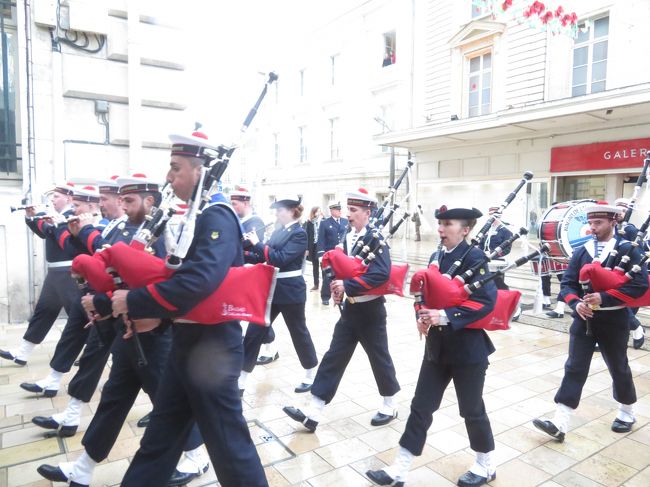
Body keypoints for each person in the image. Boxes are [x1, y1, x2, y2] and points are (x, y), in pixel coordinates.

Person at [112, 131, 267, 487]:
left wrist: (133, 301)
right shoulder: (196, 216)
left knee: (230, 447)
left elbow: (198, 282)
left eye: (175, 168)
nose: (169, 176)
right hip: (188, 344)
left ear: (199, 171)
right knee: (161, 438)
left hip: (211, 350)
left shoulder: (217, 217)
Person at [366, 205, 498, 487]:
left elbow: (486, 301)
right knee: (421, 407)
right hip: (437, 348)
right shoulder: (436, 255)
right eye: (440, 224)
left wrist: (446, 316)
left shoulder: (476, 258)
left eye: (447, 224)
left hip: (468, 350)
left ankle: (486, 464)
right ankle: (399, 469)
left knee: (471, 409)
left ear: (465, 230)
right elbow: (422, 293)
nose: (440, 229)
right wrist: (421, 314)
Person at [283, 188, 401, 432]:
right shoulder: (348, 236)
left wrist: (348, 285)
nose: (349, 215)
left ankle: (390, 404)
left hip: (371, 311)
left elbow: (381, 273)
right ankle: (313, 412)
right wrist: (338, 286)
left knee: (379, 358)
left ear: (368, 213)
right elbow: (343, 267)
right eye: (348, 210)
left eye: (354, 210)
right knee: (333, 358)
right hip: (350, 310)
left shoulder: (376, 238)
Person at [533, 203, 647, 442]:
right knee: (574, 367)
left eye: (598, 223)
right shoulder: (582, 250)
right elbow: (567, 283)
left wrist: (603, 297)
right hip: (584, 318)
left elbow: (640, 284)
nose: (593, 228)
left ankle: (627, 411)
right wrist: (576, 304)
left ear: (613, 222)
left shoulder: (629, 249)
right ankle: (560, 421)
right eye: (591, 223)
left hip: (614, 318)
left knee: (618, 366)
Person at [30, 176, 131, 438]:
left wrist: (84, 231)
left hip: (124, 311)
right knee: (90, 358)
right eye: (100, 200)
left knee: (154, 377)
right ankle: (71, 415)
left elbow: (113, 258)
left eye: (104, 200)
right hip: (98, 302)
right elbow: (83, 255)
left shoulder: (123, 228)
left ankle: (191, 447)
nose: (101, 204)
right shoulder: (110, 227)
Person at [20, 185, 105, 397]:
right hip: (88, 292)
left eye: (76, 205)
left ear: (90, 205)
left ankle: (163, 400)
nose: (73, 208)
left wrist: (70, 228)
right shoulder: (85, 223)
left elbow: (100, 250)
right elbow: (71, 249)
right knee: (71, 334)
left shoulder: (105, 225)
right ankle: (53, 381)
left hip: (110, 298)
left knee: (126, 359)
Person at [240, 194, 319, 394]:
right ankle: (241, 378)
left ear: (292, 211)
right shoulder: (278, 231)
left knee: (298, 332)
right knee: (254, 331)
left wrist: (258, 243)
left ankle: (310, 374)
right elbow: (263, 254)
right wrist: (242, 250)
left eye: (280, 210)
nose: (277, 213)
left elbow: (279, 258)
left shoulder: (299, 234)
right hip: (272, 289)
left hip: (291, 291)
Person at [0, 183, 76, 367]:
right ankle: (23, 352)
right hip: (55, 273)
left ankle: (92, 351)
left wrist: (45, 220)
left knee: (78, 317)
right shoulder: (57, 217)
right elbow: (44, 233)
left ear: (69, 198)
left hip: (69, 273)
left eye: (57, 196)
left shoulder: (71, 216)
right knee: (43, 312)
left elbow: (54, 232)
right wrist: (31, 216)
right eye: (53, 196)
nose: (52, 199)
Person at [231, 185, 279, 365]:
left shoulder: (255, 223)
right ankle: (268, 348)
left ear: (246, 202)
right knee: (254, 313)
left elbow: (258, 254)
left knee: (257, 313)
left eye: (235, 203)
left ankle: (269, 348)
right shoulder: (239, 221)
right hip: (240, 273)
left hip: (252, 273)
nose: (233, 207)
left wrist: (237, 252)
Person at [478, 206, 520, 321]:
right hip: (484, 260)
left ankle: (515, 307)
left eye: (494, 215)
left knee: (499, 285)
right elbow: (480, 244)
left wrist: (492, 254)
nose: (492, 217)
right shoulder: (486, 229)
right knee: (486, 285)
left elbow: (506, 249)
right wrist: (481, 253)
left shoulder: (505, 231)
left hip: (497, 261)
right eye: (490, 214)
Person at [614, 197, 645, 349]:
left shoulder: (630, 229)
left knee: (621, 305)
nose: (620, 212)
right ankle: (635, 330)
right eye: (617, 209)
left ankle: (637, 328)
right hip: (616, 271)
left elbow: (639, 252)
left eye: (623, 210)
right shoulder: (613, 228)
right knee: (618, 307)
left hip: (630, 273)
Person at [317, 202, 348, 305]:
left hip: (342, 255)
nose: (340, 211)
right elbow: (321, 239)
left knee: (341, 276)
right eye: (337, 210)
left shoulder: (345, 222)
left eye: (340, 210)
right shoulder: (325, 223)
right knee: (328, 277)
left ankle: (340, 298)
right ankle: (325, 297)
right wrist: (321, 255)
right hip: (330, 255)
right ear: (332, 211)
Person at [304, 206, 321, 290]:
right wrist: (307, 248)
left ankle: (326, 286)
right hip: (313, 246)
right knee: (315, 265)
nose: (319, 213)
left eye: (319, 211)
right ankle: (316, 284)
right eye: (317, 211)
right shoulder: (309, 222)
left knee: (324, 266)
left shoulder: (323, 221)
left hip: (320, 246)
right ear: (313, 213)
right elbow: (307, 235)